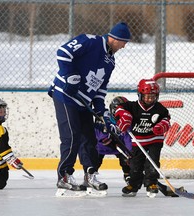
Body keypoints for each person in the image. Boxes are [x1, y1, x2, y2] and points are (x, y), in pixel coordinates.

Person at [48, 22, 131, 195]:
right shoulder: (90, 41)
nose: (124, 46)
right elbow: (63, 53)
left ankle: (90, 175)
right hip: (65, 95)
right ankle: (64, 176)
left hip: (83, 102)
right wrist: (70, 75)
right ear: (115, 39)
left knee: (90, 140)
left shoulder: (111, 61)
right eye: (124, 42)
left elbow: (100, 88)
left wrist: (101, 109)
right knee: (72, 136)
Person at [114, 79, 171, 197]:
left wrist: (161, 126)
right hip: (138, 140)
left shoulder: (160, 108)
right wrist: (124, 116)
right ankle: (134, 185)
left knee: (152, 162)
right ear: (140, 95)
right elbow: (118, 108)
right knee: (135, 164)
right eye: (147, 97)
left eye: (153, 96)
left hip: (155, 140)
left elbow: (167, 119)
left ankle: (151, 184)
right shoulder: (132, 106)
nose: (150, 99)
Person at [94, 96, 132, 185]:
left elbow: (127, 138)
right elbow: (100, 135)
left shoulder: (127, 120)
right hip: (100, 146)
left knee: (125, 159)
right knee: (95, 162)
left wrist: (129, 153)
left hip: (119, 145)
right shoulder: (104, 117)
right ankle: (91, 177)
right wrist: (108, 139)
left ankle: (127, 175)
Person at [0, 98, 23, 189]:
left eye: (4, 111)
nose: (3, 113)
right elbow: (3, 149)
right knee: (0, 183)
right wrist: (14, 161)